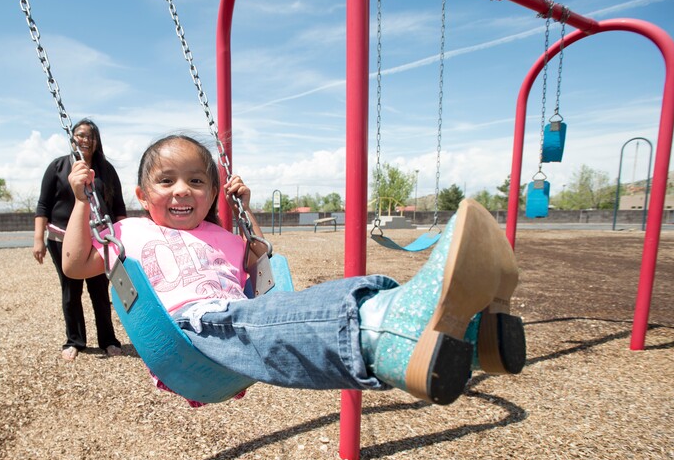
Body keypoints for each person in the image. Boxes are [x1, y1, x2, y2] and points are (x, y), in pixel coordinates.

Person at [62, 134, 525, 406]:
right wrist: (84, 203)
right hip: (186, 330)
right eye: (166, 181)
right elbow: (77, 263)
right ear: (143, 195)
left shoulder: (223, 235)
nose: (182, 191)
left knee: (292, 308)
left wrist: (245, 210)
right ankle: (390, 326)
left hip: (236, 319)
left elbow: (258, 263)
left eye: (196, 181)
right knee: (256, 318)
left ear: (212, 192)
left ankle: (470, 339)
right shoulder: (128, 231)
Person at [33, 118, 127, 361]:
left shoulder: (106, 170)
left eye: (91, 136)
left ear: (97, 142)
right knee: (70, 291)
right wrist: (38, 240)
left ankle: (108, 340)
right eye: (80, 134)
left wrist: (122, 238)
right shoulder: (58, 167)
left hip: (98, 238)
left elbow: (118, 207)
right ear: (72, 138)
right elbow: (43, 205)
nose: (85, 139)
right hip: (62, 237)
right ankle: (75, 340)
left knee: (99, 291)